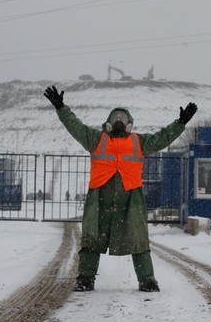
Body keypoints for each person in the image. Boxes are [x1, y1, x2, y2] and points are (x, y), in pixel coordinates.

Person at [44, 85, 198, 292]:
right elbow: (75, 126)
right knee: (91, 238)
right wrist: (61, 108)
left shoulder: (139, 142)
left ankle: (147, 280)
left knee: (138, 238)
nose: (119, 121)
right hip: (98, 196)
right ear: (107, 123)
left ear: (130, 124)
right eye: (115, 118)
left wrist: (181, 123)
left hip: (131, 198)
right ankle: (85, 279)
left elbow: (162, 138)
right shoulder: (96, 139)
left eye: (123, 119)